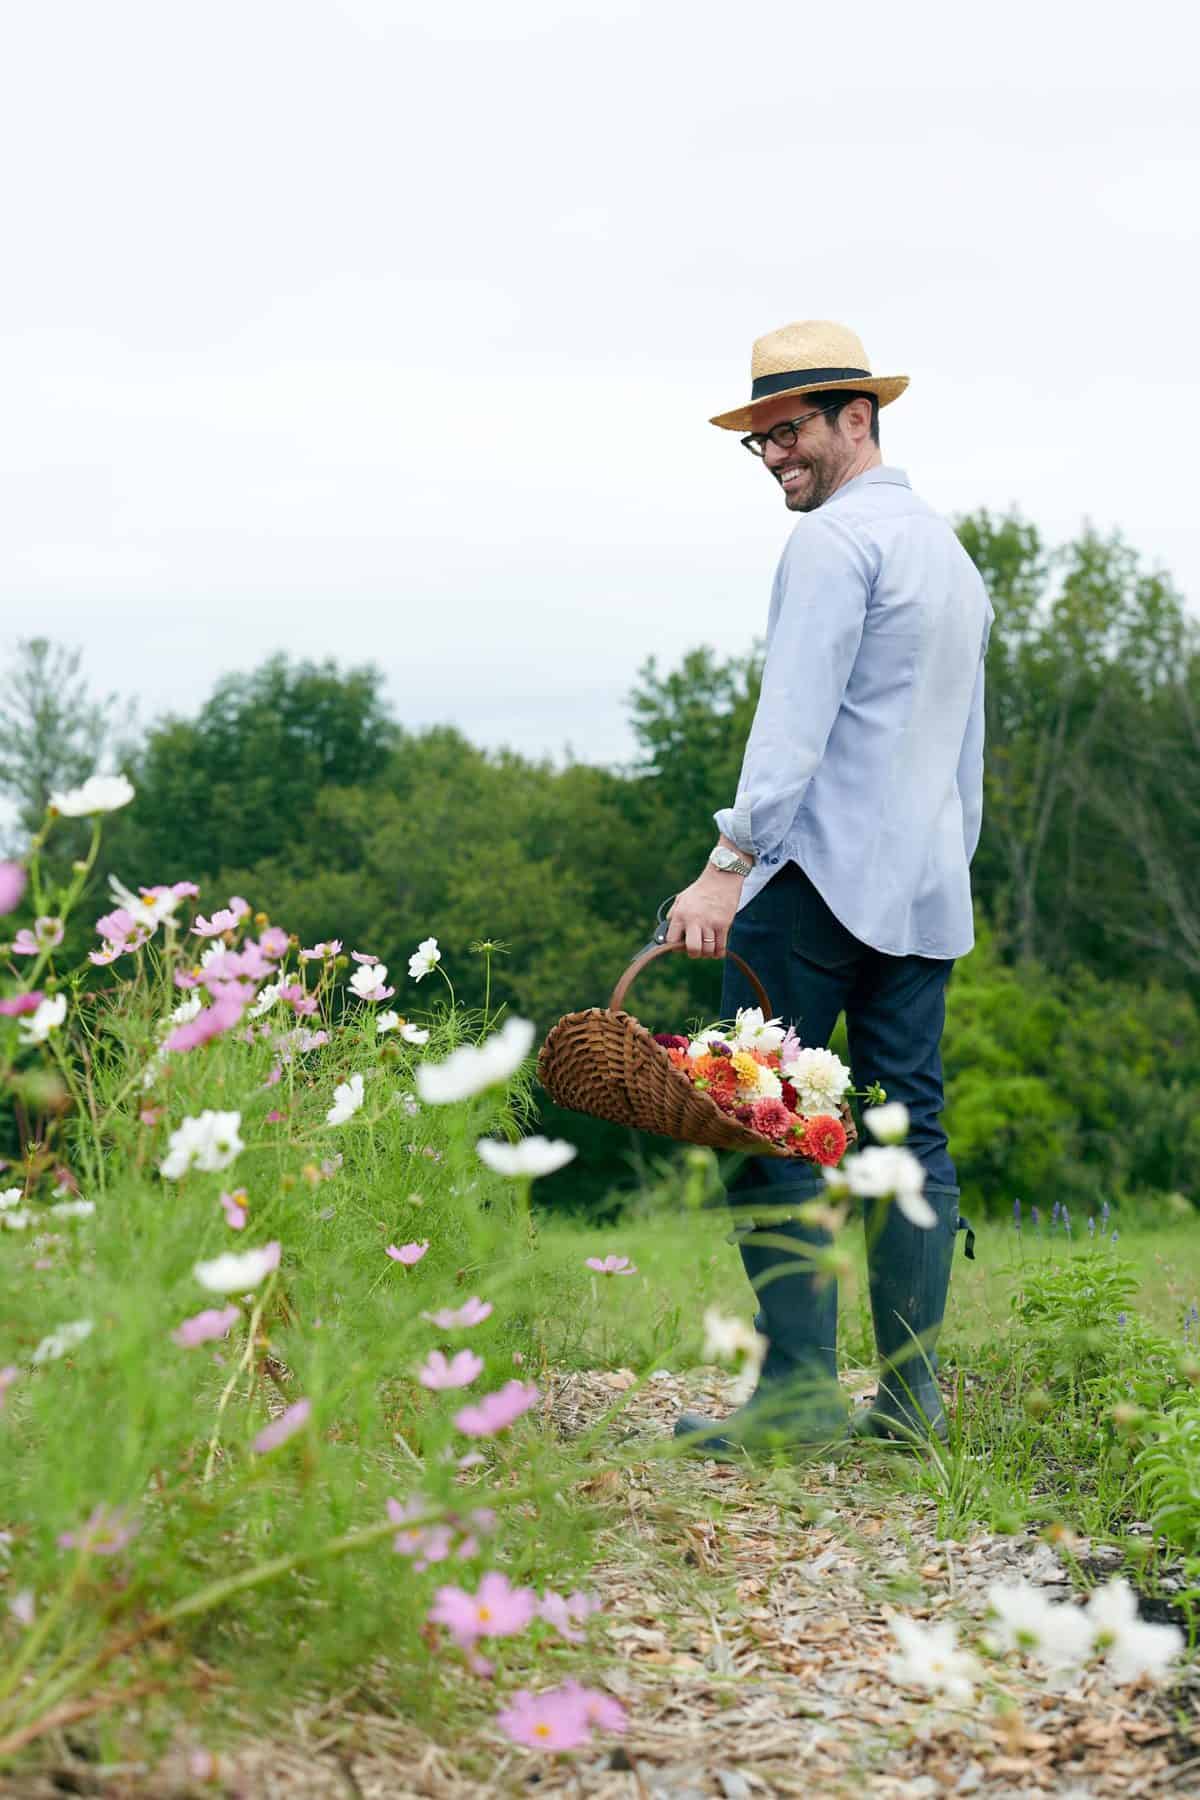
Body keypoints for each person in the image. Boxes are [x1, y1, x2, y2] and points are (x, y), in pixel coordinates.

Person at [667, 320, 993, 1455]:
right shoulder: (945, 555)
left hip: (809, 881)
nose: (774, 457)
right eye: (757, 440)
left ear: (858, 416)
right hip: (917, 886)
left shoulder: (834, 546)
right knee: (907, 1130)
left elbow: (792, 721)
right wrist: (946, 858)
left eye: (788, 431)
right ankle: (910, 1406)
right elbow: (967, 757)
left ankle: (800, 1399)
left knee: (768, 1115)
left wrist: (727, 864)